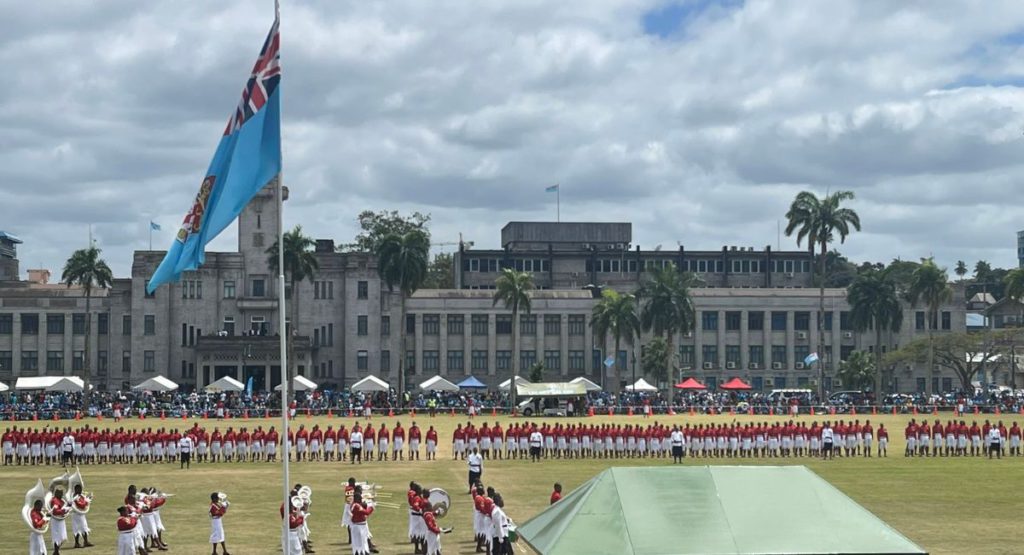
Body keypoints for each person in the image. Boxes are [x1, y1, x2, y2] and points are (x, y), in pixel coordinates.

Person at [71, 484, 93, 548]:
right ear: (76, 489)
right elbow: (81, 505)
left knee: (84, 527)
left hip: (81, 514)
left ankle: (86, 541)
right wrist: (86, 502)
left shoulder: (81, 496)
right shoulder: (74, 497)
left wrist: (88, 499)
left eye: (81, 489)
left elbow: (84, 503)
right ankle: (77, 543)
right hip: (76, 515)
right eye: (79, 489)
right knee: (77, 528)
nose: (81, 490)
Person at [49, 487, 70, 555]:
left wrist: (68, 508)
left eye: (62, 493)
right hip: (56, 520)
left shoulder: (61, 500)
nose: (62, 495)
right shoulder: (54, 501)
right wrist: (64, 510)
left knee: (63, 537)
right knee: (57, 536)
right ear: (56, 493)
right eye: (60, 493)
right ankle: (56, 551)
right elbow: (55, 511)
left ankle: (56, 551)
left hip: (61, 519)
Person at [422, 490, 442, 555]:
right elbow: (430, 526)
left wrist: (436, 512)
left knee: (435, 548)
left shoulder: (428, 513)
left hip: (432, 533)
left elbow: (431, 513)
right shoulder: (428, 516)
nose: (431, 507)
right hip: (432, 534)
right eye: (430, 506)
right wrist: (437, 530)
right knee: (433, 548)